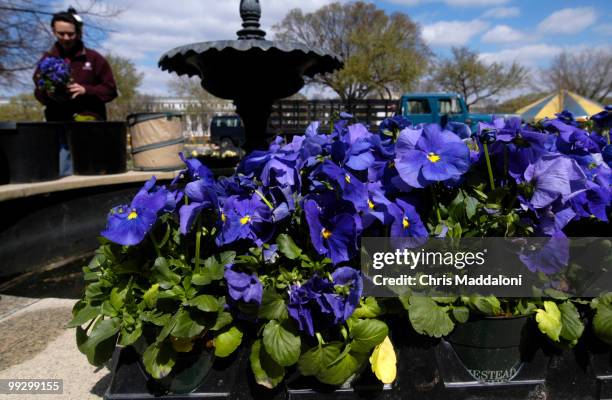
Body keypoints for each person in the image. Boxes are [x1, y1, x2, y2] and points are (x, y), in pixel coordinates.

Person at [33, 8, 118, 174]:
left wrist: (86, 90)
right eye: (61, 33)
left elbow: (111, 90)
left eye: (70, 34)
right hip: (58, 127)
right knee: (62, 172)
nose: (66, 38)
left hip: (90, 126)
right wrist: (49, 94)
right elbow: (38, 91)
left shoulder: (94, 59)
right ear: (54, 31)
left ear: (77, 32)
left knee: (91, 172)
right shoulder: (47, 60)